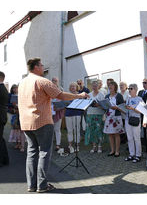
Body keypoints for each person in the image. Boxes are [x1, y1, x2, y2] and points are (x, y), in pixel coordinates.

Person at [18, 58, 89, 193]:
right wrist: (79, 95)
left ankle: (31, 185)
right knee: (44, 152)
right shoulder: (42, 81)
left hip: (26, 122)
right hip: (42, 121)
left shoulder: (22, 83)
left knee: (31, 153)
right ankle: (42, 185)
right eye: (42, 65)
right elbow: (60, 95)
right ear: (36, 67)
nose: (43, 67)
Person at [103, 81, 125, 157]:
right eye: (109, 85)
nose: (110, 87)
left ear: (115, 87)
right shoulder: (106, 96)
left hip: (116, 117)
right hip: (109, 117)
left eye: (112, 85)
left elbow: (123, 106)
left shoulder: (119, 96)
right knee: (110, 134)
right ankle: (112, 150)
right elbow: (105, 106)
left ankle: (117, 151)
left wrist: (116, 107)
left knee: (116, 134)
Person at [85, 80, 106, 153]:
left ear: (98, 86)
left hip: (99, 114)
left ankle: (99, 146)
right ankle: (94, 146)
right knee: (92, 131)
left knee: (99, 130)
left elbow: (104, 106)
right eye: (93, 86)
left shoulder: (101, 94)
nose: (94, 87)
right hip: (90, 114)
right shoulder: (89, 94)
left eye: (95, 86)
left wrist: (98, 105)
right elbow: (86, 105)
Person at [124, 84, 143, 163]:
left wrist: (132, 108)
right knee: (129, 138)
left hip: (136, 119)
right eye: (128, 89)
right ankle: (131, 154)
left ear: (135, 90)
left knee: (136, 138)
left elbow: (142, 111)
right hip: (128, 119)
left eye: (131, 89)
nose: (129, 90)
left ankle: (138, 155)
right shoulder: (128, 98)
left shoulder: (139, 99)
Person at [65, 82, 83, 153]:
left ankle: (77, 145)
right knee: (69, 130)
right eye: (71, 86)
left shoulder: (79, 95)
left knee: (77, 130)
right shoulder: (67, 95)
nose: (72, 88)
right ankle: (70, 145)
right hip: (68, 114)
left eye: (74, 86)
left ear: (76, 87)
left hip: (77, 114)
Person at [8, 84, 26, 152]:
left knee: (22, 130)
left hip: (22, 114)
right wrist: (13, 107)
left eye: (16, 88)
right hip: (15, 114)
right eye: (14, 88)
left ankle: (22, 146)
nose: (15, 90)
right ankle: (18, 143)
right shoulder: (10, 96)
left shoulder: (23, 95)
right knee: (16, 130)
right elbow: (8, 105)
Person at [138, 78, 147, 152]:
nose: (144, 84)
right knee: (141, 130)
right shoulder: (140, 92)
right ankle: (143, 145)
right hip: (140, 113)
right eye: (143, 83)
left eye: (145, 83)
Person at [51, 77, 65, 151]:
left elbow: (63, 103)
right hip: (49, 113)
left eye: (55, 81)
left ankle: (58, 144)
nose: (54, 82)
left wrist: (58, 108)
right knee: (50, 129)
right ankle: (50, 143)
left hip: (57, 113)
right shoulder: (48, 91)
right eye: (53, 81)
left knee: (57, 129)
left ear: (57, 82)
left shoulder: (60, 91)